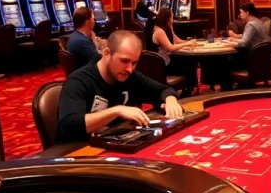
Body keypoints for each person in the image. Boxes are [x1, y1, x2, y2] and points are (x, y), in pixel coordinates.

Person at [55, 31, 184, 143]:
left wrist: (170, 100)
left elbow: (163, 90)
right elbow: (68, 126)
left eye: (134, 63)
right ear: (106, 54)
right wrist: (116, 111)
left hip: (114, 146)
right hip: (80, 154)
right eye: (124, 61)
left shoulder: (130, 77)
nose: (129, 69)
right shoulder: (79, 81)